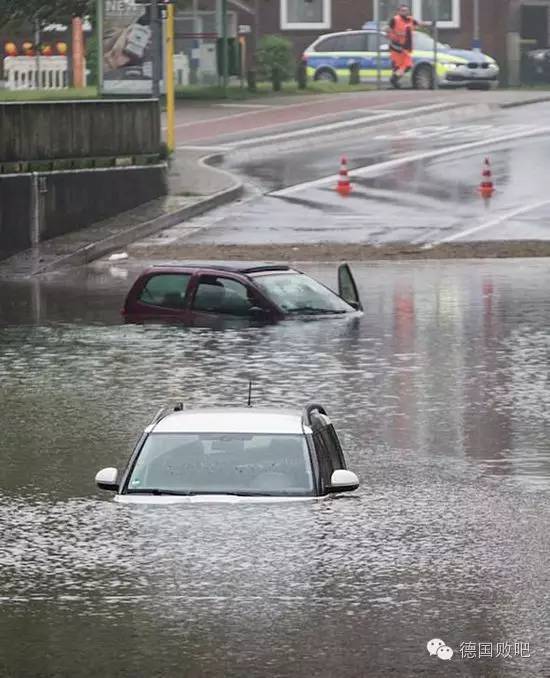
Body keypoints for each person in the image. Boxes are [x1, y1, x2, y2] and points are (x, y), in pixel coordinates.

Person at [387, 4, 426, 88]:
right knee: (402, 66)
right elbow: (388, 30)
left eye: (406, 10)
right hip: (396, 47)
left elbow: (418, 24)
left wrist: (429, 24)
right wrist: (394, 35)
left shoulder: (410, 20)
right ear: (398, 11)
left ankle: (394, 80)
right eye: (403, 10)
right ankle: (394, 80)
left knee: (406, 66)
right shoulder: (395, 20)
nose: (405, 12)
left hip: (406, 47)